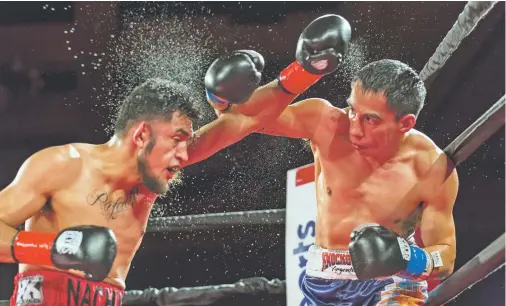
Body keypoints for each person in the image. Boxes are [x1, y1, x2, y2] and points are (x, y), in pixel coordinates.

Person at [0, 15, 351, 306]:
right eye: (177, 140)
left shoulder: (148, 178)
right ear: (141, 136)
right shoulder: (62, 165)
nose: (186, 154)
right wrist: (56, 249)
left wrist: (306, 69)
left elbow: (242, 121)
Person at [256, 59, 459, 305]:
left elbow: (445, 256)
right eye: (352, 110)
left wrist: (407, 260)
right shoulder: (327, 125)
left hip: (392, 282)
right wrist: (222, 99)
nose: (354, 129)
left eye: (370, 120)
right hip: (323, 277)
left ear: (405, 123)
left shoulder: (429, 165)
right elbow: (251, 118)